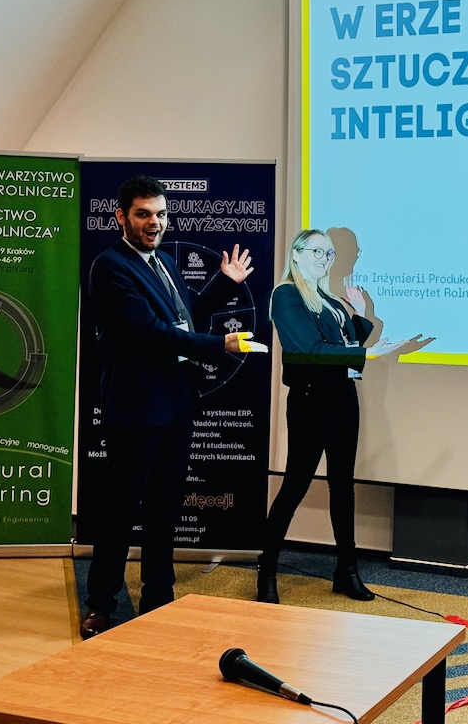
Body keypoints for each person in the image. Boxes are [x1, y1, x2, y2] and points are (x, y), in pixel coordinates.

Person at [80, 175, 266, 638]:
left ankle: (158, 597)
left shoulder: (163, 262)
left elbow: (184, 317)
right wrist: (220, 345)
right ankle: (101, 604)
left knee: (165, 507)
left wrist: (224, 284)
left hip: (177, 403)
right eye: (143, 214)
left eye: (161, 214)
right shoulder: (110, 266)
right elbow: (150, 334)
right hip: (136, 408)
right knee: (121, 510)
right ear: (121, 217)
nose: (154, 222)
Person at [257, 228, 426, 603]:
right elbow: (310, 350)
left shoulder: (330, 299)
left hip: (342, 399)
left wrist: (362, 316)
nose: (325, 259)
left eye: (329, 254)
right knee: (295, 486)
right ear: (296, 254)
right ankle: (266, 571)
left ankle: (346, 572)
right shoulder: (286, 295)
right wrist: (368, 354)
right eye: (317, 251)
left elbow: (347, 343)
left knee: (342, 486)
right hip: (310, 401)